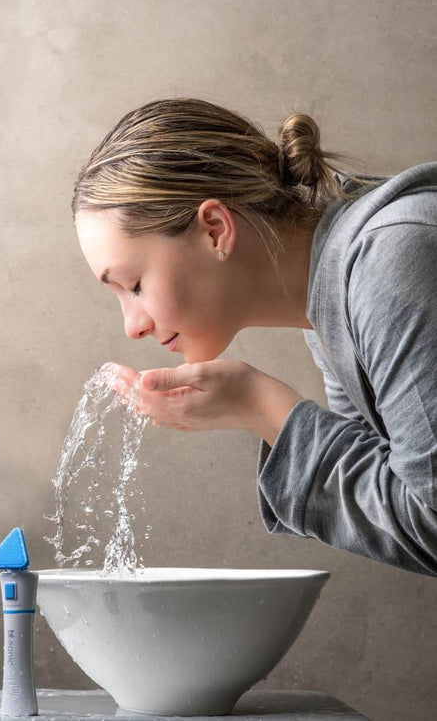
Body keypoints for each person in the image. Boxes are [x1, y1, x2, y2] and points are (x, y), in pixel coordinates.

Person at [72, 97, 437, 578]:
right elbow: (389, 489)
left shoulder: (388, 261)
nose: (132, 325)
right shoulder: (328, 305)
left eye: (135, 285)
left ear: (216, 230)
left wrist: (262, 407)